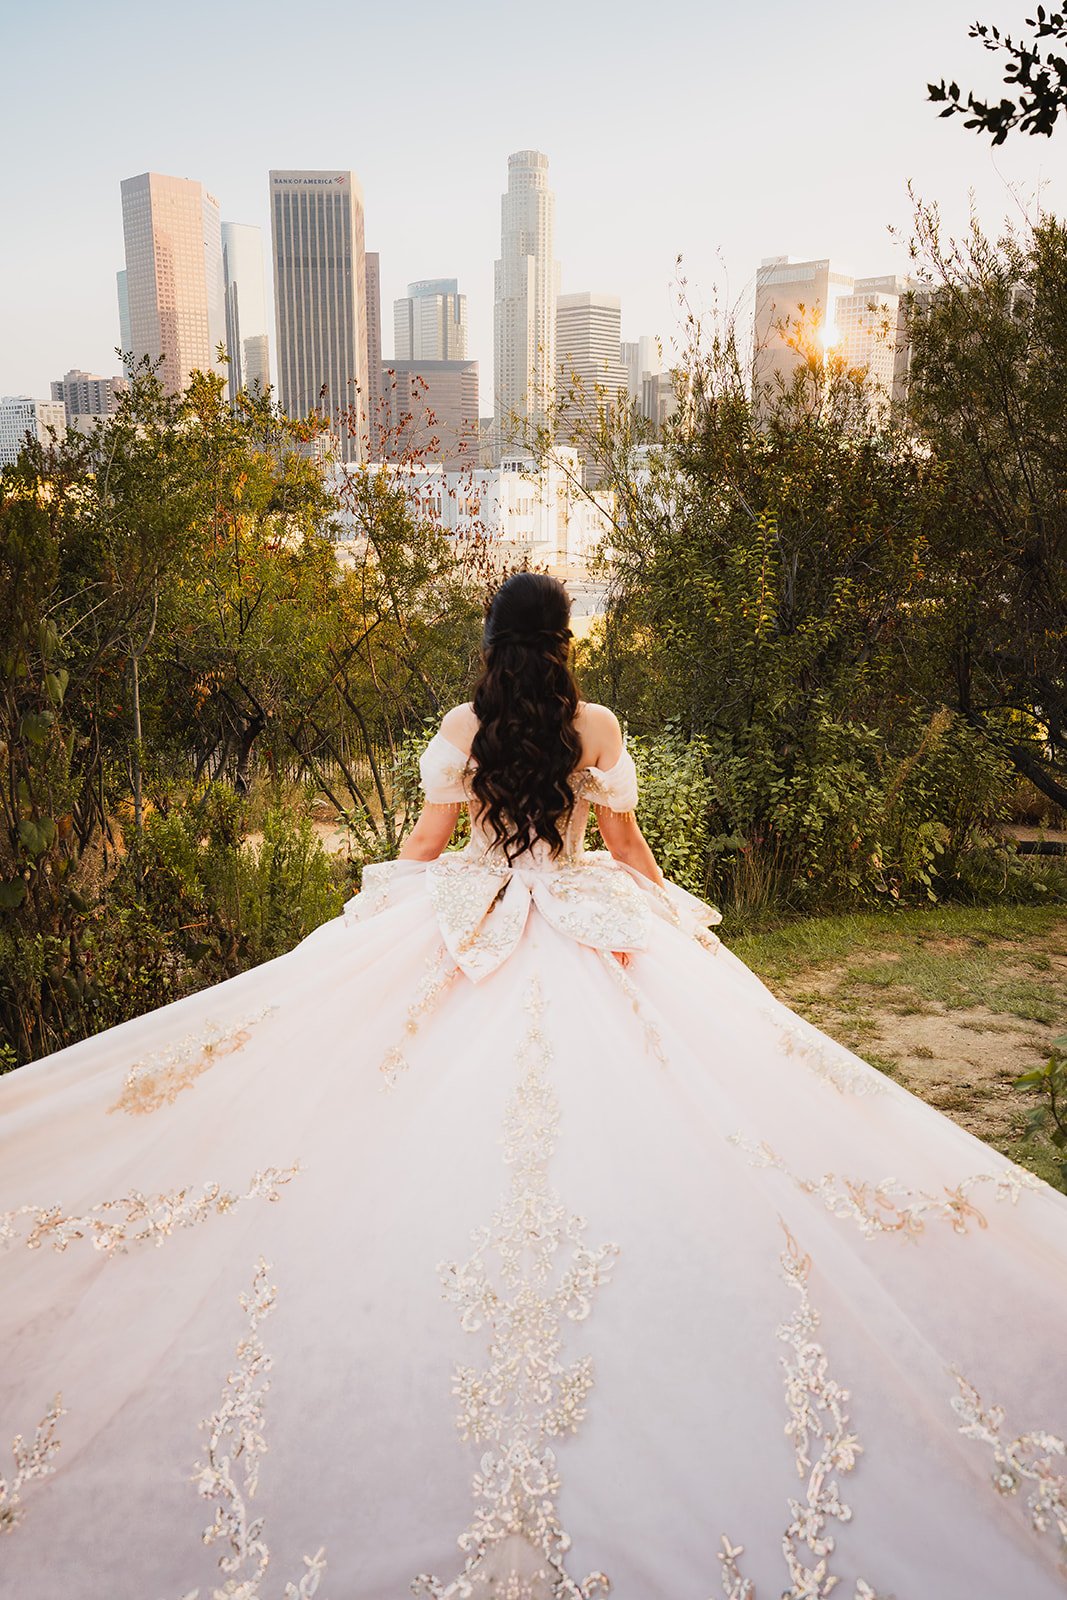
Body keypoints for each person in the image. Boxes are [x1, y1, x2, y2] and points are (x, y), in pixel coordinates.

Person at [1, 570, 1065, 1600]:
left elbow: (428, 842)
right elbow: (622, 841)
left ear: (490, 640)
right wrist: (669, 912)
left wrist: (373, 908)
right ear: (565, 642)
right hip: (577, 911)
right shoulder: (595, 725)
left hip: (475, 915)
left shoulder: (463, 727)